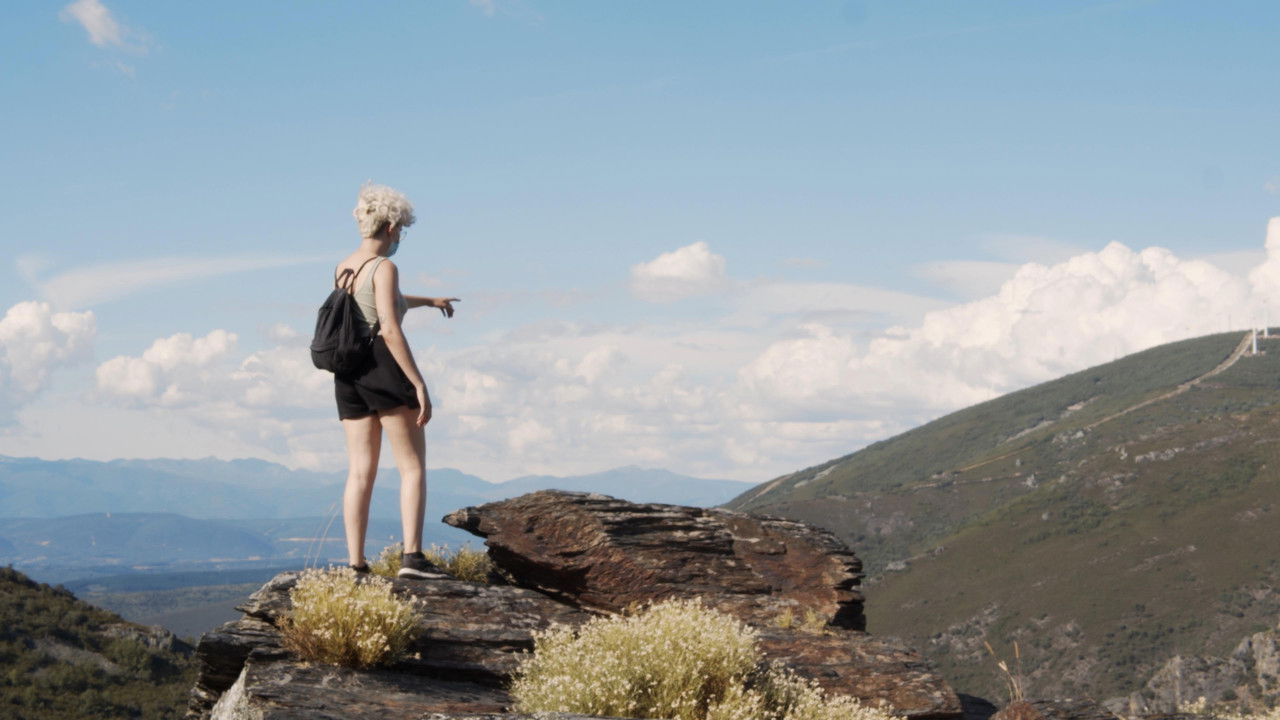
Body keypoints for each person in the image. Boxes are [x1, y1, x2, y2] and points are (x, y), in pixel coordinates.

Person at [333, 183, 459, 579]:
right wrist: (418, 383)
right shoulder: (385, 267)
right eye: (400, 229)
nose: (400, 236)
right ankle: (413, 558)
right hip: (384, 370)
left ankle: (356, 565)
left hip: (348, 374)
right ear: (389, 226)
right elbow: (388, 326)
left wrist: (431, 301)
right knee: (412, 467)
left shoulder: (345, 267)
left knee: (359, 472)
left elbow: (383, 304)